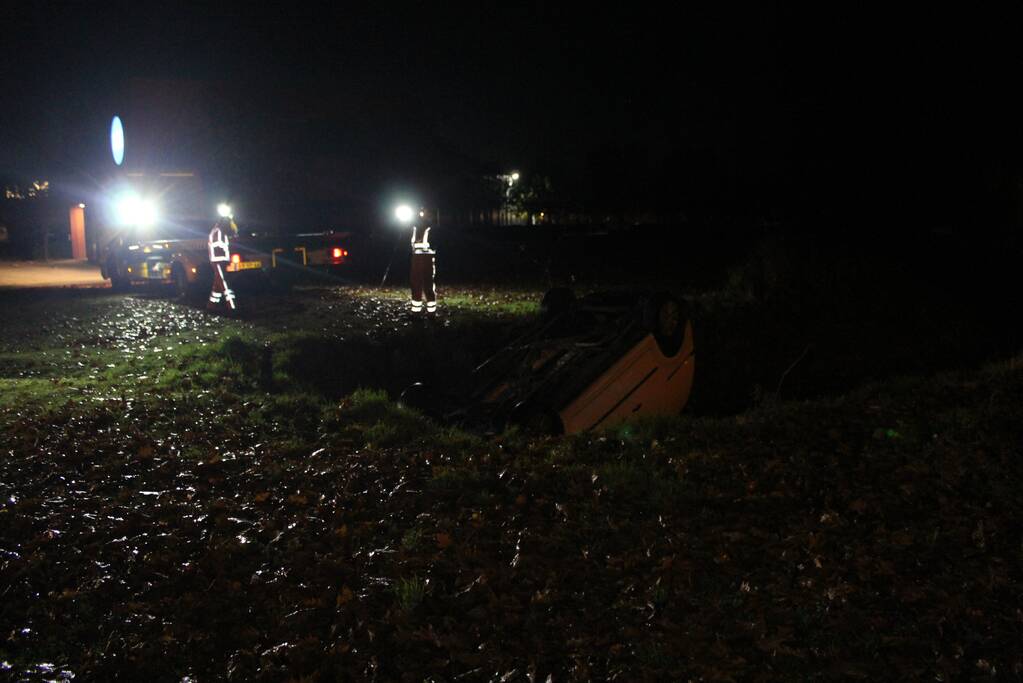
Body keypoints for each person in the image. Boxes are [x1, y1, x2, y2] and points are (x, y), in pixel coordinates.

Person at [409, 208, 437, 314]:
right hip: (416, 258)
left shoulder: (432, 228)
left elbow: (435, 244)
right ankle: (416, 311)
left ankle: (431, 311)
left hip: (427, 258)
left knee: (428, 284)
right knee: (415, 283)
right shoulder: (414, 228)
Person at [207, 216, 237, 312]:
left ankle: (211, 306)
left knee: (217, 285)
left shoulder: (218, 231)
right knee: (224, 283)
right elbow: (219, 244)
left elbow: (234, 231)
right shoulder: (219, 232)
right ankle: (232, 306)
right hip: (218, 260)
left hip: (219, 260)